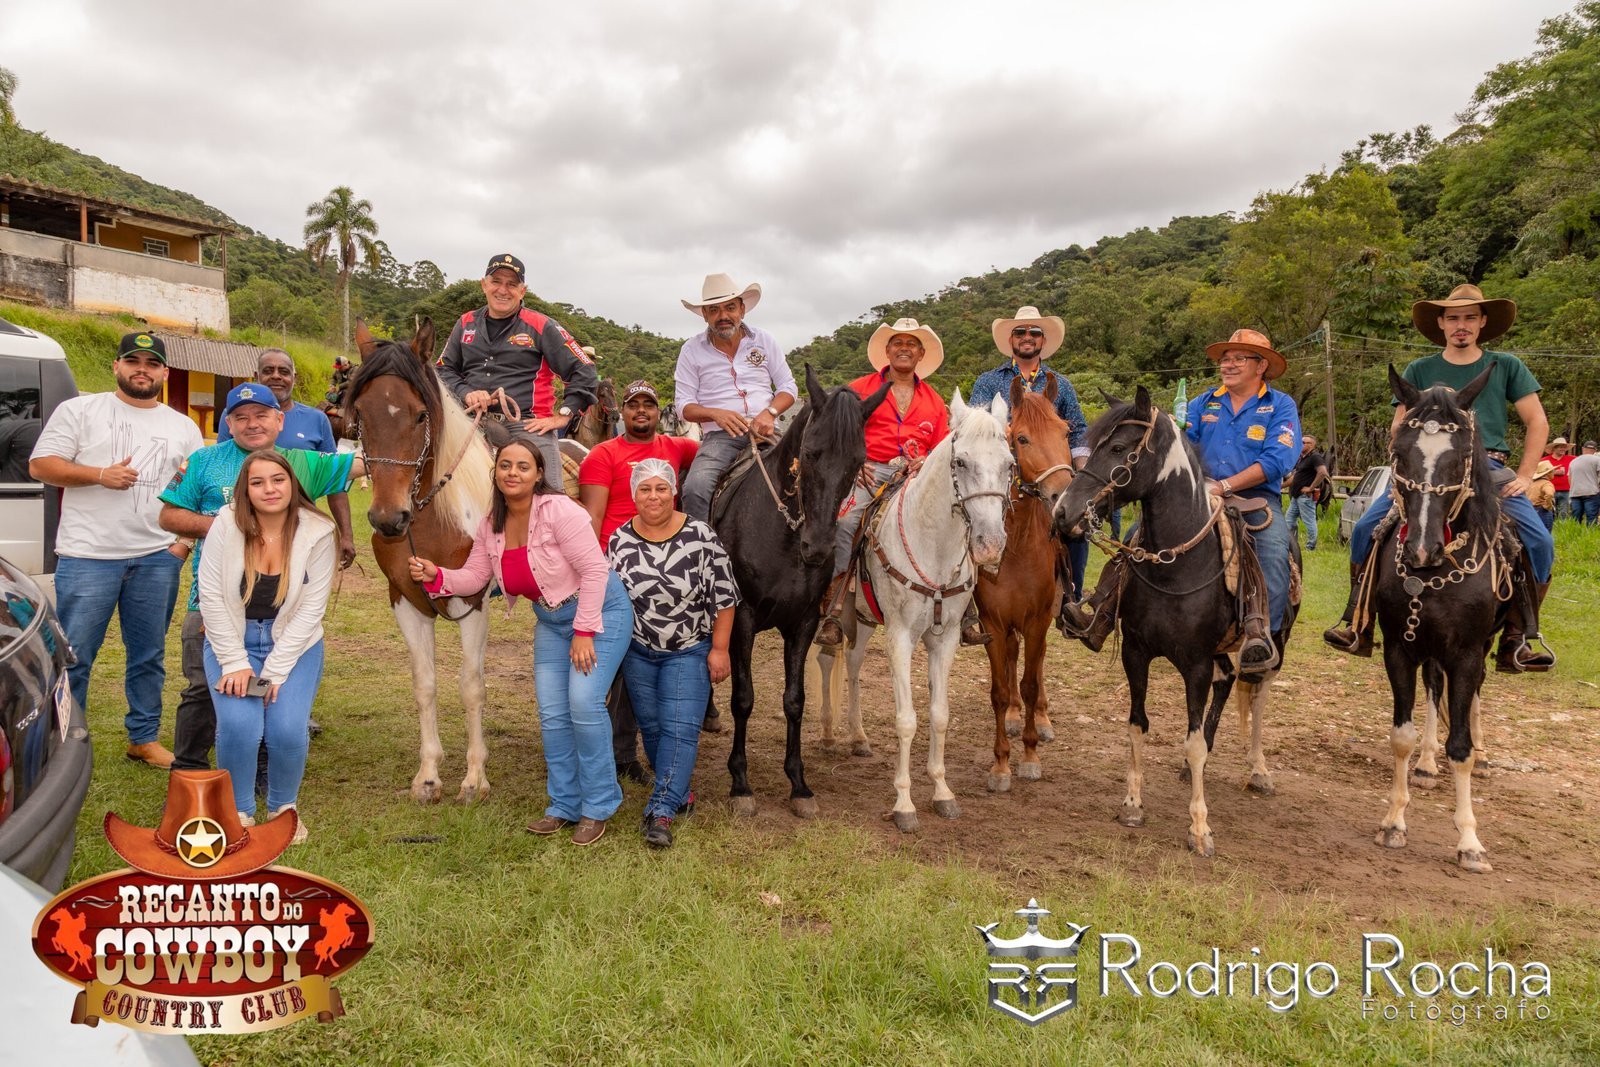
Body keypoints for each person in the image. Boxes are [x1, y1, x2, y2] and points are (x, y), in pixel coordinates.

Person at [409, 435, 633, 846]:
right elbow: (476, 577)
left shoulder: (560, 511)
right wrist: (437, 575)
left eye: (523, 466)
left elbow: (594, 571)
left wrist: (585, 632)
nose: (513, 473)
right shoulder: (490, 524)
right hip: (550, 620)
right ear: (495, 472)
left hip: (599, 613)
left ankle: (598, 805)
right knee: (552, 714)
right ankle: (563, 804)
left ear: (538, 474)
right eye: (505, 465)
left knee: (584, 704)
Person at [1324, 284, 1555, 672]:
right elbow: (1399, 427)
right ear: (1441, 324)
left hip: (1489, 468)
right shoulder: (1419, 369)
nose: (1461, 325)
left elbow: (1538, 421)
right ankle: (1359, 622)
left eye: (1469, 317)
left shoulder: (1507, 365)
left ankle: (1517, 637)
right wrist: (1401, 475)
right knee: (1365, 530)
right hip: (1424, 469)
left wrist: (1527, 475)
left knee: (1539, 541)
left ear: (1482, 322)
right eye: (1453, 318)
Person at [1060, 328, 1298, 674]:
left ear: (1261, 366)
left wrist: (1225, 485)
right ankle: (1103, 612)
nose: (1228, 365)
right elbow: (1182, 448)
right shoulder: (1203, 403)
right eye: (1225, 359)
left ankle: (1260, 635)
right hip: (1198, 494)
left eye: (1238, 359)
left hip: (1254, 498)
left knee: (1273, 549)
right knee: (1134, 538)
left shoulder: (1280, 406)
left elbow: (1277, 461)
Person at [159, 383, 358, 773]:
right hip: (213, 598)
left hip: (283, 604)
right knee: (202, 686)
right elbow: (169, 515)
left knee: (270, 688)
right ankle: (190, 771)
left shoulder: (303, 462)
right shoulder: (204, 460)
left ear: (279, 420)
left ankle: (261, 770)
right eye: (241, 418)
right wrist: (232, 528)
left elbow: (371, 464)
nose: (252, 424)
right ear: (228, 424)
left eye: (262, 415)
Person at [28, 332, 202, 768]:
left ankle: (143, 737)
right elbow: (41, 465)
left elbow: (193, 490)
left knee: (149, 656)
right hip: (88, 556)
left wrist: (181, 546)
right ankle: (64, 744)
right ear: (116, 366)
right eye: (133, 361)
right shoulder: (80, 410)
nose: (142, 369)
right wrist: (99, 475)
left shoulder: (183, 426)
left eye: (152, 363)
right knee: (75, 656)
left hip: (156, 559)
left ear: (165, 373)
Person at [198, 450, 335, 843]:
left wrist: (274, 671)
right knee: (240, 725)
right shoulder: (226, 524)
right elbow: (211, 596)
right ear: (245, 489)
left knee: (287, 729)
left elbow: (312, 608)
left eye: (278, 479)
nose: (269, 489)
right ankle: (238, 811)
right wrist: (234, 662)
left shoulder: (318, 531)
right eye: (257, 482)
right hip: (232, 640)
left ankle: (283, 809)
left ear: (292, 483)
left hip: (295, 644)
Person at [606, 459, 738, 849]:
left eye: (661, 488)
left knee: (679, 730)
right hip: (637, 651)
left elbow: (725, 598)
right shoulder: (619, 540)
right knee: (653, 730)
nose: (654, 496)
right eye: (645, 489)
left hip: (688, 650)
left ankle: (660, 810)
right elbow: (609, 598)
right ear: (633, 494)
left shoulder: (700, 536)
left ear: (674, 492)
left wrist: (720, 649)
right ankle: (679, 792)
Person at [578, 379, 702, 764]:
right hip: (619, 566)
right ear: (624, 411)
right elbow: (593, 518)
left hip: (668, 566)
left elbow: (714, 457)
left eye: (648, 404)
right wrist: (593, 574)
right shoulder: (603, 454)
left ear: (658, 411)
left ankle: (653, 742)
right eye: (634, 405)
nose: (641, 411)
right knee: (618, 665)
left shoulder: (677, 447)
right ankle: (619, 753)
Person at [815, 318, 952, 647]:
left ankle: (963, 605)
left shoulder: (935, 401)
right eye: (898, 343)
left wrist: (926, 460)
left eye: (911, 344)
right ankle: (834, 605)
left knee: (955, 521)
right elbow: (834, 432)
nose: (904, 349)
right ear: (887, 351)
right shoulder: (858, 389)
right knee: (845, 522)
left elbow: (943, 447)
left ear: (920, 354)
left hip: (917, 476)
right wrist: (854, 463)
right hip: (870, 471)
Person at [436, 253, 599, 489]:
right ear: (484, 285)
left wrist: (564, 414)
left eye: (511, 284)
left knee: (548, 497)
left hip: (527, 425)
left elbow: (584, 368)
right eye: (496, 281)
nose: (503, 290)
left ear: (522, 291)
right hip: (470, 420)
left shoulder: (541, 325)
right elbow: (443, 369)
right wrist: (466, 392)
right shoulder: (465, 322)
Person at [968, 306, 1091, 594]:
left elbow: (1078, 431)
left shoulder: (1061, 385)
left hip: (1048, 473)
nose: (1027, 336)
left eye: (1034, 332)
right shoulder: (989, 381)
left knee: (1077, 527)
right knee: (968, 522)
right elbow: (973, 425)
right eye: (1020, 332)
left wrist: (1083, 473)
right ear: (1011, 340)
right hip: (1000, 476)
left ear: (1042, 340)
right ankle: (963, 600)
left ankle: (1072, 598)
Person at [674, 272, 799, 520]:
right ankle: (700, 543)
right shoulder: (691, 350)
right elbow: (683, 406)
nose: (723, 316)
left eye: (730, 307)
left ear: (742, 309)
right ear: (705, 314)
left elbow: (788, 386)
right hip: (721, 438)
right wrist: (715, 414)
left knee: (810, 479)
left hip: (767, 431)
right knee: (695, 488)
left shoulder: (765, 340)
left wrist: (770, 413)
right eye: (714, 310)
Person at [217, 349, 335, 453]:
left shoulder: (317, 419)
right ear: (256, 376)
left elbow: (331, 468)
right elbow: (221, 460)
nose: (276, 376)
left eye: (284, 372)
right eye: (268, 371)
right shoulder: (234, 414)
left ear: (294, 378)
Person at [1285, 434, 1331, 550]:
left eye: (1304, 443)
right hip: (1296, 496)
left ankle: (1310, 547)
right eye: (1301, 442)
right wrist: (1281, 486)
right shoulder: (1302, 458)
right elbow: (1295, 477)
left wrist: (1310, 488)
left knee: (1309, 522)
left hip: (1305, 497)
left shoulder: (1315, 457)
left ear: (1311, 445)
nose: (1301, 444)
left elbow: (1323, 472)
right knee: (1289, 521)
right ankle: (1292, 545)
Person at [1568, 440, 1600, 525]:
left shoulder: (1573, 461)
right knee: (1591, 517)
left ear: (1583, 449)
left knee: (1575, 518)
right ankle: (1590, 533)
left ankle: (1574, 532)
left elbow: (1569, 477)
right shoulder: (1597, 459)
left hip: (1575, 493)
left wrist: (1572, 488)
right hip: (1591, 492)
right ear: (1595, 450)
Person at [1541, 437, 1573, 518]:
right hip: (1549, 491)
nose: (1563, 449)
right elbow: (1538, 473)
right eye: (1561, 447)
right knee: (1549, 512)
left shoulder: (1572, 459)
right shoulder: (1544, 460)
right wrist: (1554, 472)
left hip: (1566, 490)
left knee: (1563, 513)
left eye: (1564, 447)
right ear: (1554, 448)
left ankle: (1562, 526)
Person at [1529, 460, 1558, 533]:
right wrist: (1547, 506)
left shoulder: (1532, 484)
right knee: (1545, 533)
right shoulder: (1546, 484)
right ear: (1548, 473)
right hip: (1542, 511)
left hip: (1530, 510)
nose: (1554, 473)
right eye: (1552, 471)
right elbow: (1549, 494)